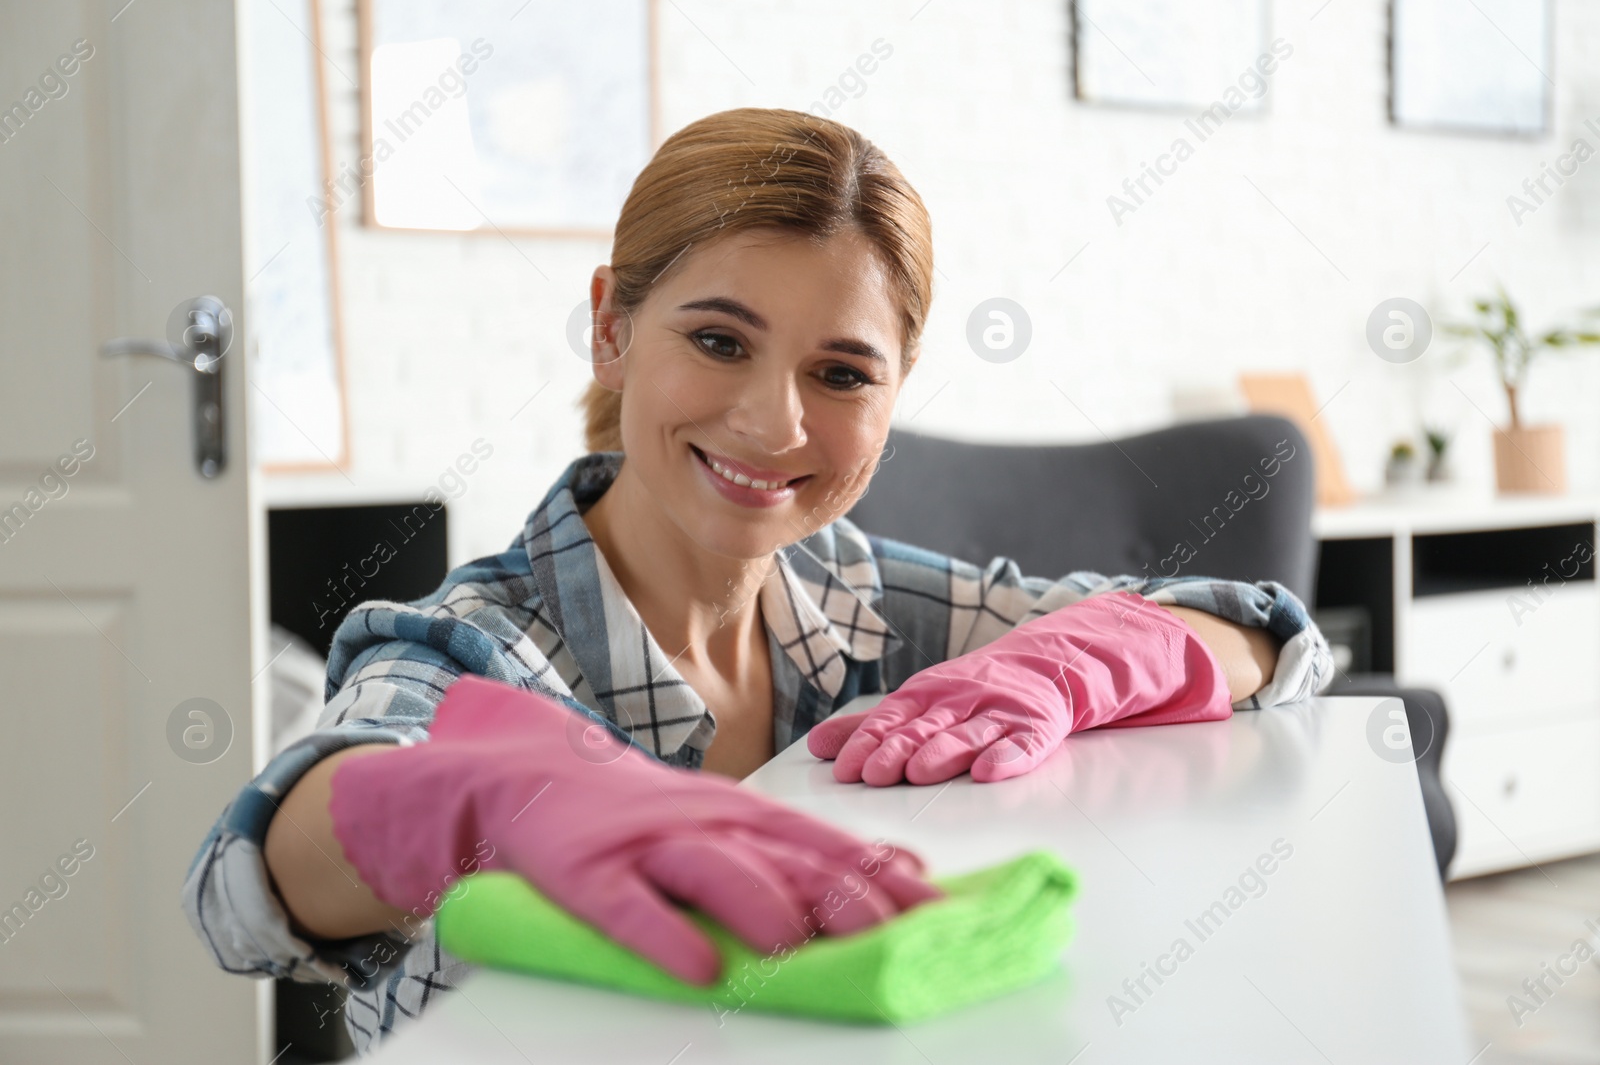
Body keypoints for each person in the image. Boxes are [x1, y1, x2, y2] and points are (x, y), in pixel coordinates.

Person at [182, 106, 1333, 1056]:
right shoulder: (475, 647)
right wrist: (449, 804)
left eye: (840, 371)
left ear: (895, 390)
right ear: (611, 329)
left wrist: (1108, 654)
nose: (775, 422)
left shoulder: (872, 601)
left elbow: (1272, 639)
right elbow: (244, 893)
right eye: (720, 340)